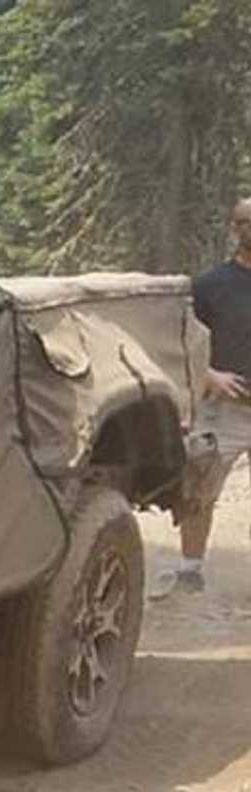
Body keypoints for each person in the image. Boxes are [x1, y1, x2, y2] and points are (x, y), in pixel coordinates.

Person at [153, 196, 251, 599]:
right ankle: (190, 571)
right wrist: (208, 375)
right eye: (246, 221)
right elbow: (182, 339)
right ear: (234, 228)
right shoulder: (209, 285)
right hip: (222, 408)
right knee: (199, 489)